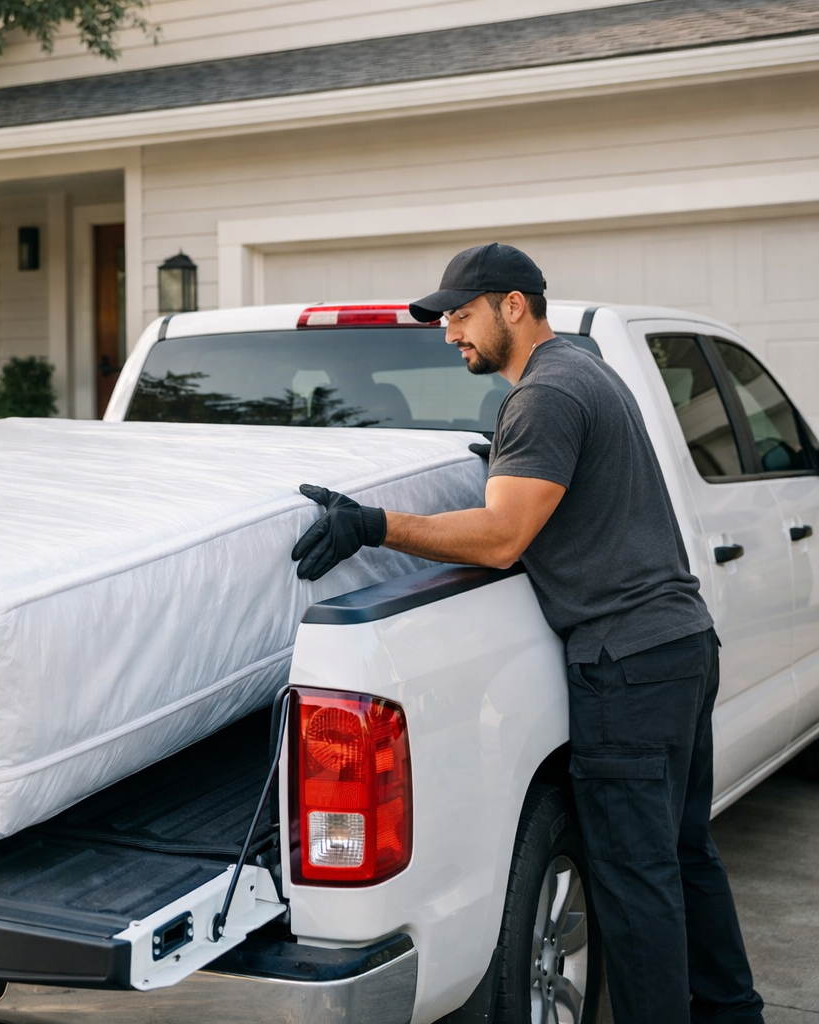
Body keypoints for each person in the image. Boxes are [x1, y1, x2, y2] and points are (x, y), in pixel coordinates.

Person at [290, 243, 764, 1024]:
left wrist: (373, 524)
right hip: (678, 647)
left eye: (461, 315)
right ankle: (731, 1012)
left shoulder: (544, 396)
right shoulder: (582, 370)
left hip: (628, 664)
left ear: (515, 304)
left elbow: (503, 537)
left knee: (633, 879)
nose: (449, 334)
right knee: (682, 858)